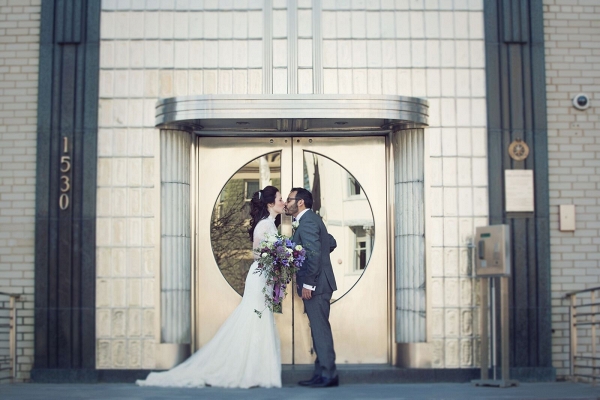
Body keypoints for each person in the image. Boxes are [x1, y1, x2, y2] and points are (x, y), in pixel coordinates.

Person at [136, 186, 286, 389]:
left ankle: (257, 370)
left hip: (264, 277)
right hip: (259, 277)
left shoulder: (269, 224)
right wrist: (279, 257)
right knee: (255, 317)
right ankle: (250, 371)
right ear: (270, 203)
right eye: (279, 198)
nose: (283, 201)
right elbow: (259, 253)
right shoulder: (264, 226)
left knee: (258, 318)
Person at [285, 187, 339, 388]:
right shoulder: (312, 220)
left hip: (317, 285)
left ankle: (328, 375)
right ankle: (321, 373)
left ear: (300, 202)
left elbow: (314, 253)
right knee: (318, 329)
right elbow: (330, 242)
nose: (287, 203)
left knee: (320, 330)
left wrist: (309, 283)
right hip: (321, 282)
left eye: (289, 199)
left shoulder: (307, 221)